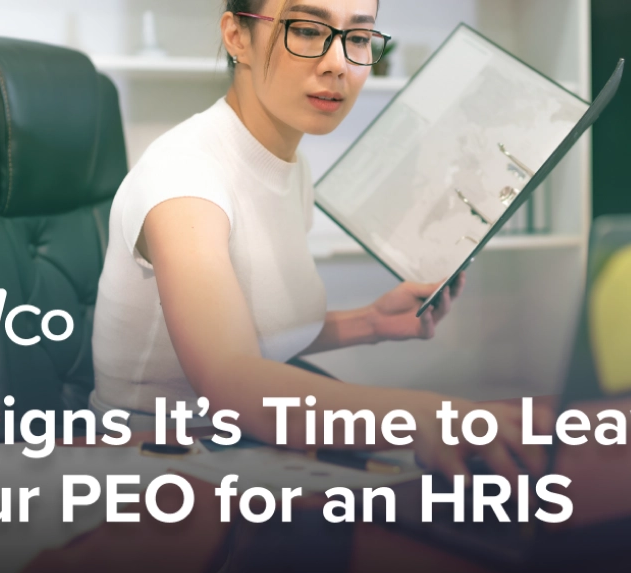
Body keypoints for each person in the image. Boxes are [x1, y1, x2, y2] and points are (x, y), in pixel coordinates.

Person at [90, 0, 547, 481]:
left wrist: (369, 322)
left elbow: (254, 329)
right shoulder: (183, 179)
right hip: (155, 470)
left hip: (244, 450)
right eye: (308, 30)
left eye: (357, 38)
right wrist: (431, 415)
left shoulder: (289, 164)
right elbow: (232, 381)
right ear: (237, 37)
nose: (339, 64)